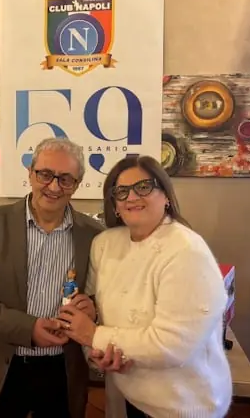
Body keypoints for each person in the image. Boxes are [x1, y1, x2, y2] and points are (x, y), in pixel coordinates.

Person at [58, 155, 232, 418]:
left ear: (166, 196)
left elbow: (172, 345)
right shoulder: (105, 244)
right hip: (126, 392)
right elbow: (98, 309)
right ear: (115, 205)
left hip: (180, 403)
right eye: (121, 191)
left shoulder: (187, 252)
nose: (131, 197)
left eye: (143, 187)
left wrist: (94, 336)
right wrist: (94, 336)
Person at [0, 137, 104, 418]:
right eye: (45, 174)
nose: (54, 187)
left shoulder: (94, 234)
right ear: (30, 173)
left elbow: (103, 296)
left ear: (77, 184)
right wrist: (28, 329)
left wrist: (94, 308)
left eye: (65, 179)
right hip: (3, 368)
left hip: (63, 372)